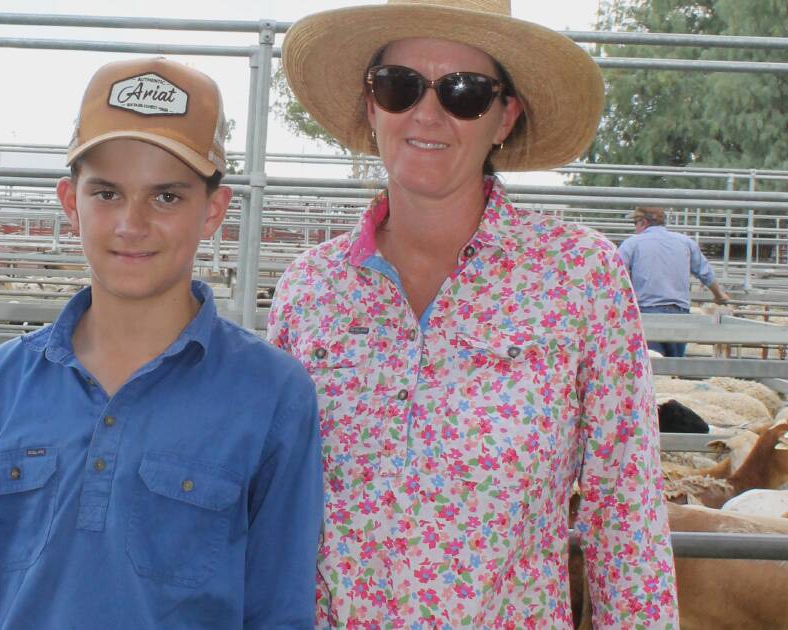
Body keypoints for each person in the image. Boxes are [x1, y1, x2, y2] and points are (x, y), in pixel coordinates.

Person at [268, 1, 678, 627]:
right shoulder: (308, 290)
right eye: (399, 85)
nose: (427, 113)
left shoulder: (578, 277)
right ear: (372, 104)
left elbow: (627, 508)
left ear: (504, 117)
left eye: (465, 91)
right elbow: (273, 507)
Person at [0, 57, 323, 629]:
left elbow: (279, 610)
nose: (132, 223)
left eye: (167, 197)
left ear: (214, 212)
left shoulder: (272, 394)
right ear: (68, 202)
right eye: (106, 193)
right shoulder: (1, 383)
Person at [620, 206, 730, 357]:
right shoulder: (685, 242)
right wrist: (719, 295)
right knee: (675, 364)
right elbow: (705, 272)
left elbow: (616, 272)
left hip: (647, 313)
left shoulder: (632, 243)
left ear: (643, 222)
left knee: (651, 364)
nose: (635, 229)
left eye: (635, 224)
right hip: (679, 313)